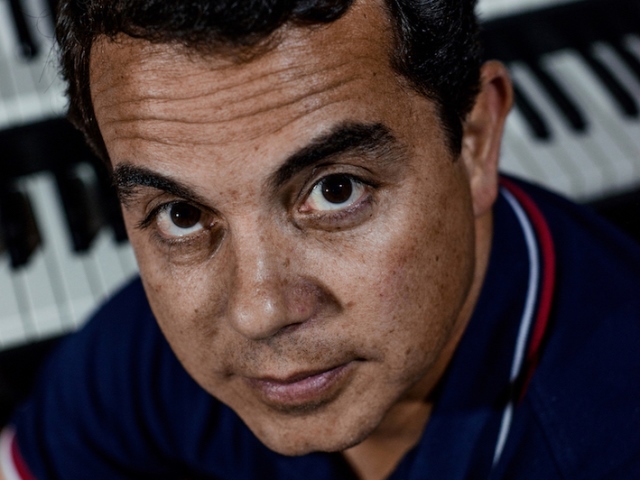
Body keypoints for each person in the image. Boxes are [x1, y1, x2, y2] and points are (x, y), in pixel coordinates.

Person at [2, 0, 640, 478]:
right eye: (182, 213)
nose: (258, 313)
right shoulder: (150, 357)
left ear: (475, 142)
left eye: (336, 190)